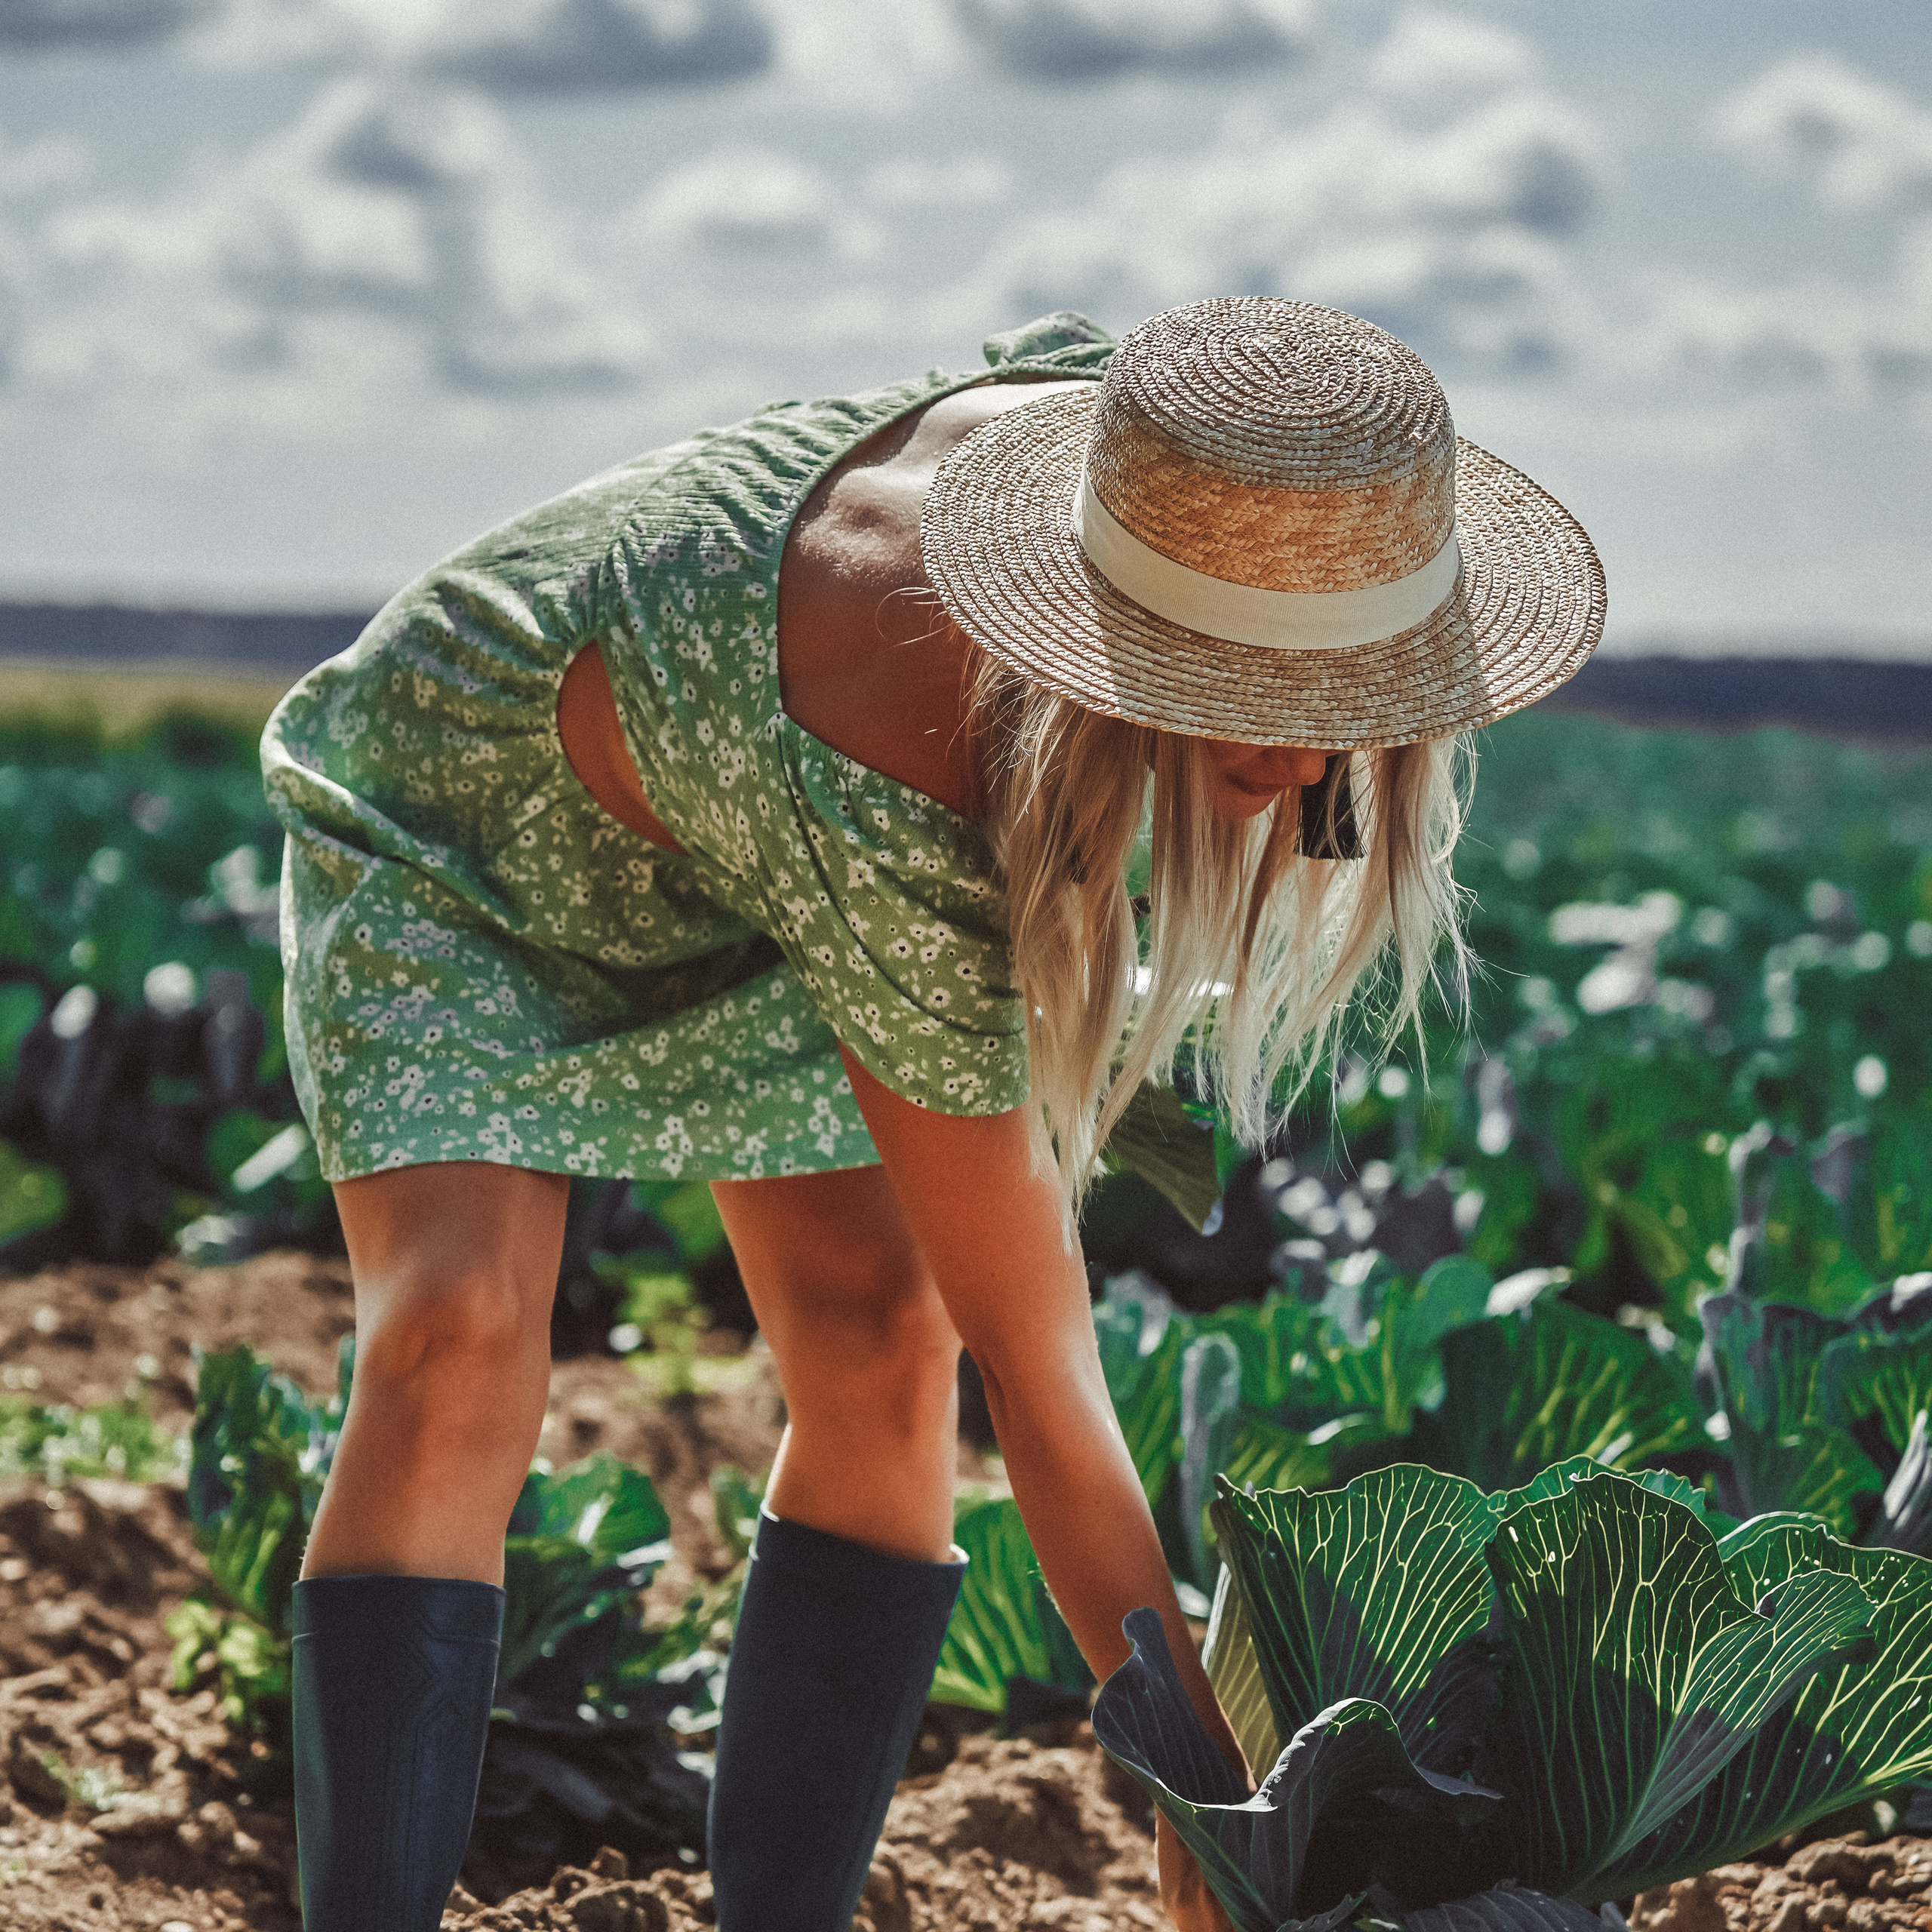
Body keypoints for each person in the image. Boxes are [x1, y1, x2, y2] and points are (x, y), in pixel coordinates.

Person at [261, 296, 1604, 1932]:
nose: (1294, 744)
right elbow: (1043, 1361)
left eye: (1339, 688)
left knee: (885, 1337)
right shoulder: (908, 709)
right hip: (464, 829)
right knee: (458, 1332)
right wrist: (1206, 1783)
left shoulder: (1204, 475)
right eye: (1242, 680)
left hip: (750, 865)